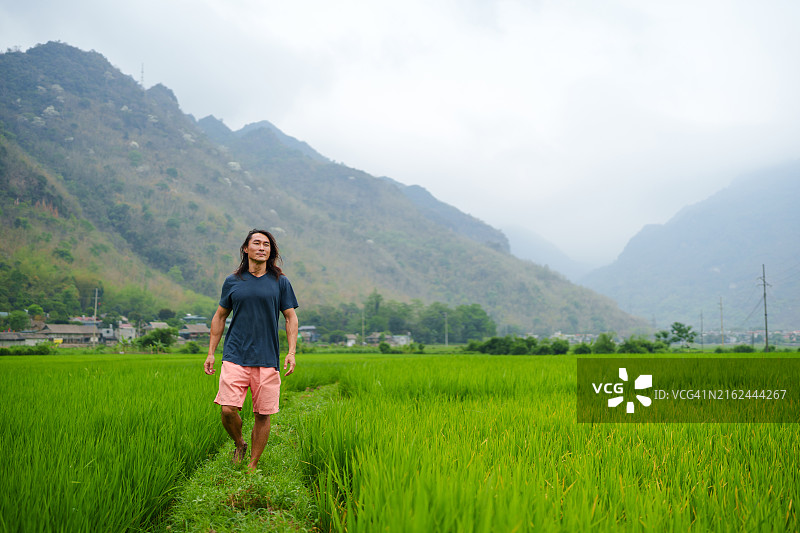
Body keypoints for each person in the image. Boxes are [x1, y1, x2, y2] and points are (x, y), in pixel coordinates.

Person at [204, 229, 298, 472]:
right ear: (246, 249)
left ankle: (253, 465)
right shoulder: (233, 281)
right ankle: (239, 443)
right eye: (256, 243)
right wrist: (211, 352)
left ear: (271, 251)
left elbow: (290, 318)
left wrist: (291, 352)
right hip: (235, 355)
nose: (262, 247)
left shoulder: (280, 282)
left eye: (266, 244)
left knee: (262, 414)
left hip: (267, 359)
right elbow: (220, 316)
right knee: (227, 409)